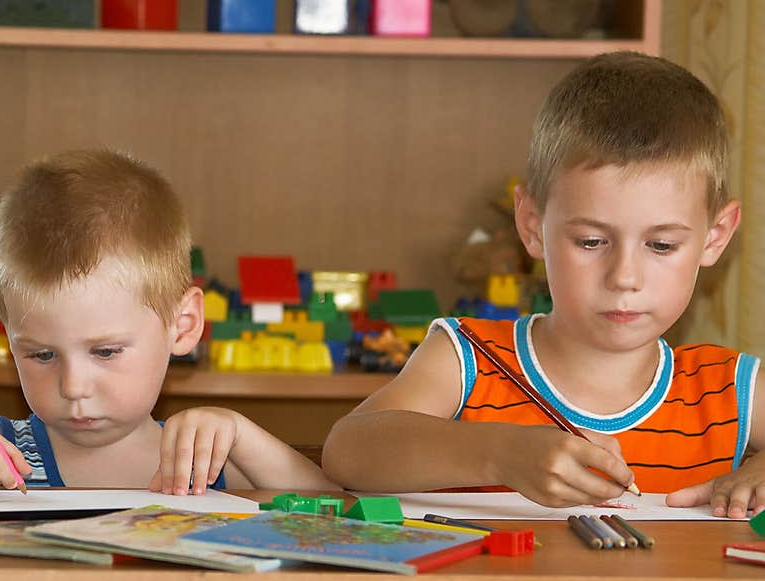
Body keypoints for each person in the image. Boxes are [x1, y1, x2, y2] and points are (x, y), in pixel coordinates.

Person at [323, 51, 763, 519]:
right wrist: (499, 452)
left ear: (715, 237)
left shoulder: (727, 391)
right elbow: (347, 449)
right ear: (532, 225)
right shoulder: (469, 358)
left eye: (661, 246)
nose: (625, 278)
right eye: (591, 241)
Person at [0, 148, 335, 495]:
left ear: (182, 325)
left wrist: (239, 433)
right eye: (42, 354)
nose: (74, 386)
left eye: (105, 351)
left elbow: (342, 514)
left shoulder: (206, 459)